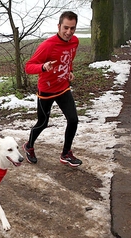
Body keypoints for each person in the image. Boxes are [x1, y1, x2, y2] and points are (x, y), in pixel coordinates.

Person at [22, 11, 82, 167]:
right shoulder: (47, 45)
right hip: (46, 91)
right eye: (66, 28)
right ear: (59, 26)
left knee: (73, 120)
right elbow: (28, 67)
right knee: (43, 123)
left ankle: (66, 153)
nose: (69, 32)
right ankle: (29, 146)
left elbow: (68, 59)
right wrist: (43, 67)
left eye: (72, 28)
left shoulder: (75, 42)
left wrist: (70, 71)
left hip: (63, 88)